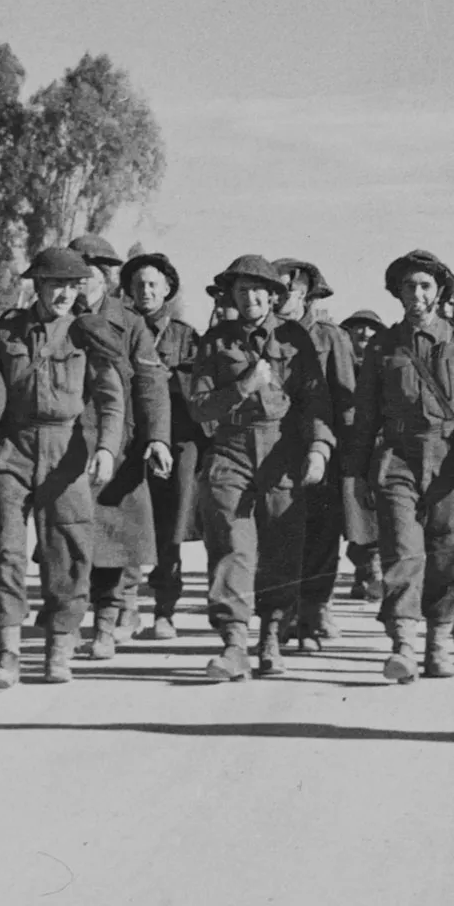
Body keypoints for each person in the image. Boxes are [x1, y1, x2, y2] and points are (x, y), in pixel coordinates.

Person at [0, 248, 123, 688]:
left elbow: (111, 395)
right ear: (39, 286)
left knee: (67, 548)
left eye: (74, 285)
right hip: (12, 446)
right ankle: (7, 653)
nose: (66, 293)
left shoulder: (87, 333)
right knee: (3, 548)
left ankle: (58, 649)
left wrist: (106, 447)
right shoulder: (7, 329)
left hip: (66, 448)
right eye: (56, 285)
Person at [349, 250, 454, 683]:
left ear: (438, 293)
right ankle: (402, 645)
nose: (416, 294)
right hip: (397, 457)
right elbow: (365, 417)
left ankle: (438, 642)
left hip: (451, 462)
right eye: (408, 286)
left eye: (425, 286)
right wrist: (358, 474)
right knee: (401, 551)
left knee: (450, 553)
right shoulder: (383, 345)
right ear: (397, 293)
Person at [186, 255, 332, 680]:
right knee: (232, 544)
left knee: (282, 546)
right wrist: (241, 387)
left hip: (282, 452)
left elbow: (315, 401)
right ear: (231, 295)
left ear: (272, 296)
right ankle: (233, 643)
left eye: (257, 290)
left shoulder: (295, 341)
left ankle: (271, 637)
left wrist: (318, 449)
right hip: (230, 450)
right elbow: (198, 406)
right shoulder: (215, 343)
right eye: (241, 290)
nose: (249, 297)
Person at [67, 235, 171, 655]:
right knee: (66, 540)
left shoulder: (130, 324)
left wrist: (158, 438)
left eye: (93, 271)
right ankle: (68, 621)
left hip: (119, 446)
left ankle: (106, 626)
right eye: (75, 272)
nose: (83, 280)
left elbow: (150, 384)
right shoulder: (53, 317)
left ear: (107, 276)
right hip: (64, 444)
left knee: (112, 543)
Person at [271, 258, 355, 649]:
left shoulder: (329, 337)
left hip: (323, 449)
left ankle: (316, 606)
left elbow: (345, 397)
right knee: (279, 533)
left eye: (285, 290)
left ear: (305, 294)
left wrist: (348, 454)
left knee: (322, 535)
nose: (277, 298)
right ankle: (283, 613)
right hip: (274, 449)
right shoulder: (263, 335)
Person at [120, 252, 201, 641]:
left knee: (170, 528)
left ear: (168, 289)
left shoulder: (184, 336)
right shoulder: (117, 329)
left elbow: (197, 387)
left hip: (179, 440)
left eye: (153, 284)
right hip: (129, 439)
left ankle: (165, 609)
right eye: (138, 285)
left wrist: (159, 378)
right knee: (127, 522)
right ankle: (125, 607)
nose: (146, 291)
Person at [338, 310, 387, 602]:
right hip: (346, 446)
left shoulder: (384, 365)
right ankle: (365, 570)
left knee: (375, 512)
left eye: (371, 330)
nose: (364, 335)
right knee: (352, 514)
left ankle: (372, 573)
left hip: (378, 445)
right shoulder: (337, 365)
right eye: (357, 329)